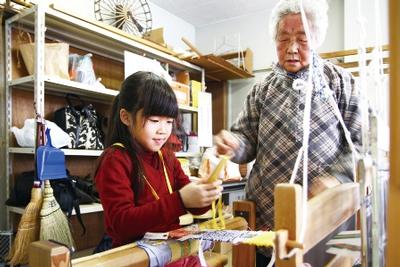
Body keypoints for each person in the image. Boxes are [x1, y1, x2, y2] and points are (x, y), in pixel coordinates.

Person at [215, 0, 362, 266]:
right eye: (283, 39)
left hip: (326, 219)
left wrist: (337, 178)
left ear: (316, 38)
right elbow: (246, 138)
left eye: (302, 39)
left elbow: (362, 145)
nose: (292, 48)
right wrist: (233, 145)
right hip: (266, 221)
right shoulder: (262, 89)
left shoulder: (339, 82)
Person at [95, 71, 223, 266]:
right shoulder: (115, 160)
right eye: (154, 121)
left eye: (169, 122)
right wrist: (181, 199)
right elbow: (122, 224)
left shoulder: (167, 157)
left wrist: (206, 193)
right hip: (137, 258)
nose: (163, 130)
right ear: (126, 117)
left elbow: (194, 206)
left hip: (172, 251)